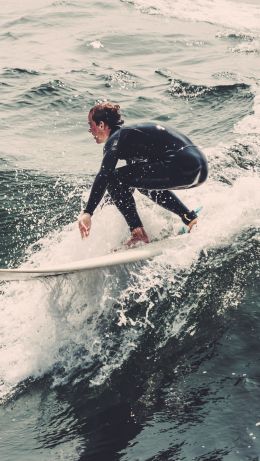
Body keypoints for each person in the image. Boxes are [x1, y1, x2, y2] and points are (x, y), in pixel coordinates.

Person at [78, 102, 208, 246]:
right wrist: (107, 202)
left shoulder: (116, 140)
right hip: (199, 168)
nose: (90, 130)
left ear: (101, 124)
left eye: (91, 124)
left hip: (181, 165)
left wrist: (88, 212)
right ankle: (190, 218)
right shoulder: (130, 136)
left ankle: (138, 234)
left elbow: (105, 175)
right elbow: (131, 183)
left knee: (113, 178)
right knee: (142, 184)